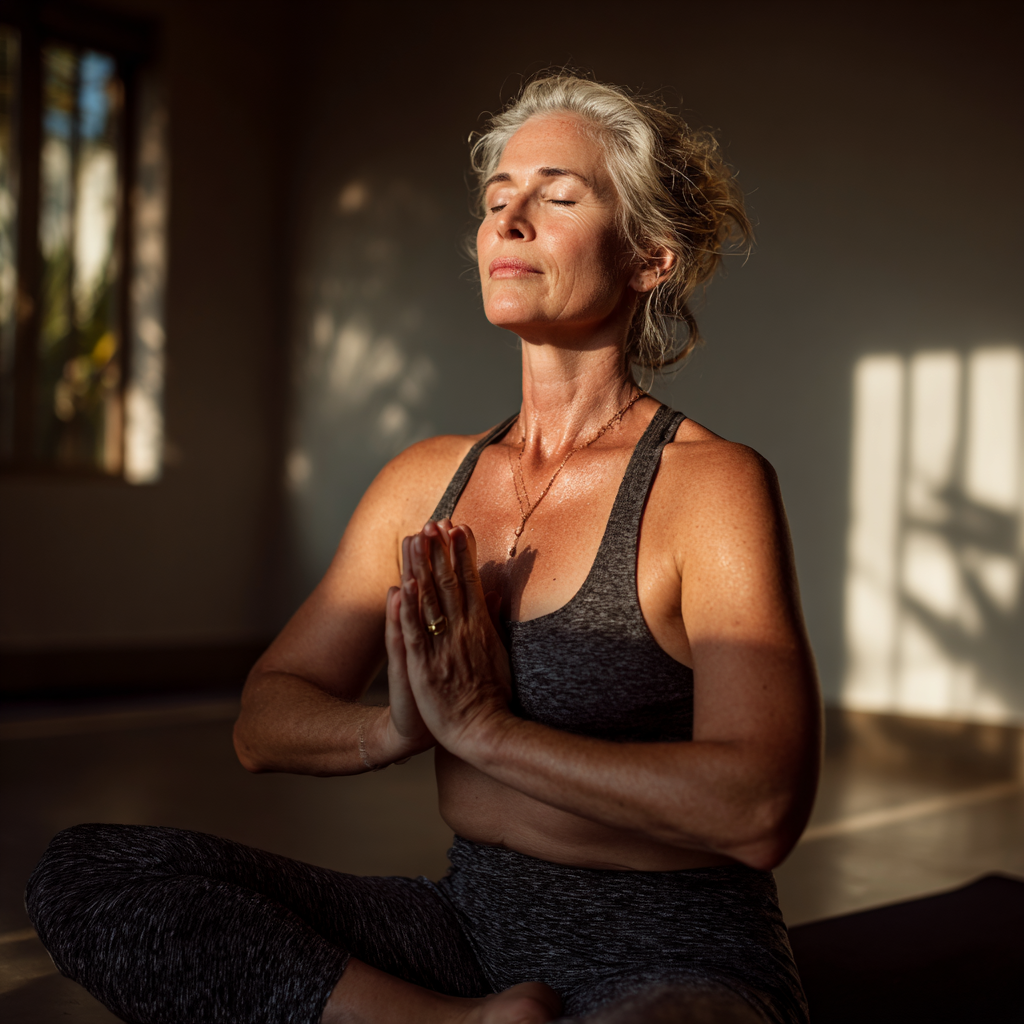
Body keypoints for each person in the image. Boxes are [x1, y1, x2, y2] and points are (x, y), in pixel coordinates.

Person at [26, 75, 821, 1024]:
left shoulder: (708, 485)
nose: (509, 222)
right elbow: (264, 719)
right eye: (496, 202)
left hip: (679, 956)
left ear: (650, 256)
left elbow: (759, 806)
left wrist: (487, 731)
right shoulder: (425, 482)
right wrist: (399, 728)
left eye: (558, 197)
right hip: (466, 934)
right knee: (93, 874)